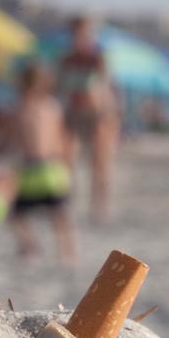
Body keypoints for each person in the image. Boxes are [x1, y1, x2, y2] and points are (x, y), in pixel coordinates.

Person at [6, 62, 76, 264]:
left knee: (58, 214)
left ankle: (65, 251)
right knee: (20, 213)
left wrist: (66, 161)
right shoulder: (27, 107)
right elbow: (13, 138)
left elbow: (62, 136)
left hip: (46, 166)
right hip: (35, 166)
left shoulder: (43, 107)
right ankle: (35, 247)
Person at [56, 15, 119, 222]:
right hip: (73, 113)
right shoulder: (67, 59)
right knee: (66, 161)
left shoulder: (97, 58)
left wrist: (111, 114)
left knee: (99, 163)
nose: (79, 37)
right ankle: (68, 204)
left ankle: (99, 208)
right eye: (75, 33)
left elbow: (109, 87)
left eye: (83, 33)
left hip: (96, 113)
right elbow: (59, 89)